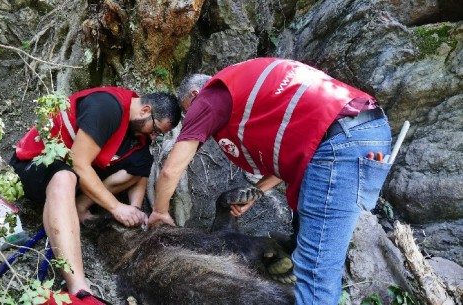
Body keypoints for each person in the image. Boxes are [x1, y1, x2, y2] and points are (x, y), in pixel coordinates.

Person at [147, 58, 392, 305]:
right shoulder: (247, 83)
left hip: (338, 144)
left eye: (189, 112)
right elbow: (301, 148)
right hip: (365, 131)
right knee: (311, 246)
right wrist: (256, 191)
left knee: (315, 273)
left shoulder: (211, 96)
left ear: (195, 94)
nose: (193, 119)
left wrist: (159, 212)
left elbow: (170, 171)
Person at [10, 87, 181, 303]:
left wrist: (136, 209)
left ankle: (79, 207)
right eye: (155, 130)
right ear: (145, 110)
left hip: (68, 169)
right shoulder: (107, 107)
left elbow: (141, 168)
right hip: (34, 164)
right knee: (65, 177)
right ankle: (79, 288)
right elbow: (79, 165)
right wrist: (116, 207)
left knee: (139, 163)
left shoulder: (136, 130)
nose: (154, 136)